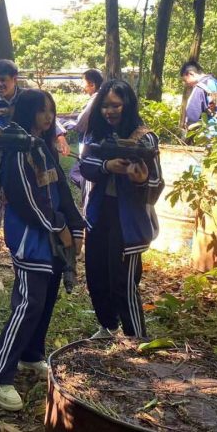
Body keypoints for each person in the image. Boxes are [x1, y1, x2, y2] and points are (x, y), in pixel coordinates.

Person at [0, 89, 84, 412]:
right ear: (27, 112)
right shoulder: (17, 148)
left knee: (46, 298)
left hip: (52, 237)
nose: (48, 117)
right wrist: (59, 228)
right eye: (41, 111)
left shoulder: (42, 145)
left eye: (51, 110)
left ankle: (31, 354)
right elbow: (26, 200)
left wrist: (76, 225)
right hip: (30, 237)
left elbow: (60, 191)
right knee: (30, 302)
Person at [80, 79, 164, 340]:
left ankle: (137, 337)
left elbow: (157, 182)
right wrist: (108, 167)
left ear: (127, 105)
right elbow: (85, 165)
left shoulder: (145, 137)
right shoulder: (97, 134)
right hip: (100, 211)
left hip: (130, 218)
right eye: (104, 105)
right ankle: (107, 326)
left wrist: (139, 179)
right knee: (95, 273)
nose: (110, 111)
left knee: (124, 282)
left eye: (116, 105)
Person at [0, 60, 70, 263]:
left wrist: (60, 137)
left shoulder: (29, 98)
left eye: (3, 80)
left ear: (15, 79)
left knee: (31, 197)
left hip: (29, 159)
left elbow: (50, 118)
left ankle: (33, 239)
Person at [180, 60, 217, 134]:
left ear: (191, 74)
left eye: (185, 80)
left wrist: (189, 132)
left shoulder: (200, 88)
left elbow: (192, 115)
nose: (186, 84)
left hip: (210, 134)